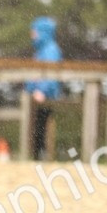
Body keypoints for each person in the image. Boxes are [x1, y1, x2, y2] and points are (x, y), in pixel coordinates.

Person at [25, 16, 62, 161]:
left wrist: (42, 91)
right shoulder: (40, 51)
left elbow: (51, 75)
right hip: (36, 96)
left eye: (34, 31)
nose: (32, 34)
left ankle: (41, 156)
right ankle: (37, 155)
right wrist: (30, 88)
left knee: (40, 127)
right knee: (36, 128)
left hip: (45, 97)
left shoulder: (51, 50)